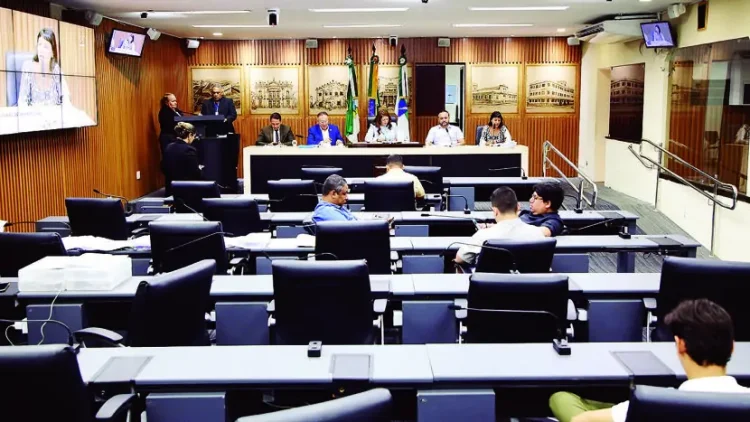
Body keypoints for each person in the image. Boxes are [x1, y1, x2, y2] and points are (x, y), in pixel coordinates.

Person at [549, 299, 750, 422]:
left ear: (680, 345)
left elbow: (580, 421)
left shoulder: (653, 404)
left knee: (561, 398)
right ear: (732, 346)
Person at [455, 187, 545, 265]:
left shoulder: (483, 236)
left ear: (495, 211)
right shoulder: (538, 234)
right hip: (530, 284)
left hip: (492, 284)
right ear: (518, 207)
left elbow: (460, 259)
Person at [18, 28, 70, 107]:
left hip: (54, 117)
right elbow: (22, 102)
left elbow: (66, 97)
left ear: (52, 52)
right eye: (39, 45)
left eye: (45, 47)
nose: (41, 50)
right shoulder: (28, 67)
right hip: (34, 117)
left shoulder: (56, 70)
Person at [162, 122, 202, 196]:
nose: (193, 139)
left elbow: (163, 168)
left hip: (170, 190)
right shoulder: (190, 149)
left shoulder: (168, 147)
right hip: (186, 192)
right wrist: (199, 169)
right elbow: (194, 173)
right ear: (190, 135)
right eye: (194, 136)